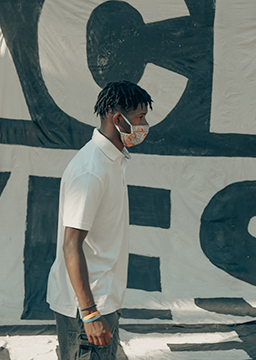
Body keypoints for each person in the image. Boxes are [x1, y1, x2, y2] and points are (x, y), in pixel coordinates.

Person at [46, 80, 152, 360]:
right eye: (140, 118)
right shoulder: (91, 171)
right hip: (85, 309)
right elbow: (71, 245)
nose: (144, 125)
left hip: (102, 300)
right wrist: (90, 312)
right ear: (118, 119)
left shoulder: (112, 162)